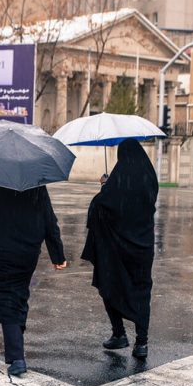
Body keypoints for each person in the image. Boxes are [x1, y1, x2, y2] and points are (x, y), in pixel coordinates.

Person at [0, 185, 67, 376]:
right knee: (16, 294)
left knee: (2, 296)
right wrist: (57, 255)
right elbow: (50, 221)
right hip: (25, 253)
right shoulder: (36, 186)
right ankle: (15, 330)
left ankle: (17, 356)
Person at [81, 139, 159, 359]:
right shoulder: (149, 177)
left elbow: (102, 205)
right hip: (143, 247)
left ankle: (119, 333)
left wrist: (105, 186)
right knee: (142, 291)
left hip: (116, 249)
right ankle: (141, 343)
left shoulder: (119, 179)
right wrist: (111, 186)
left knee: (109, 285)